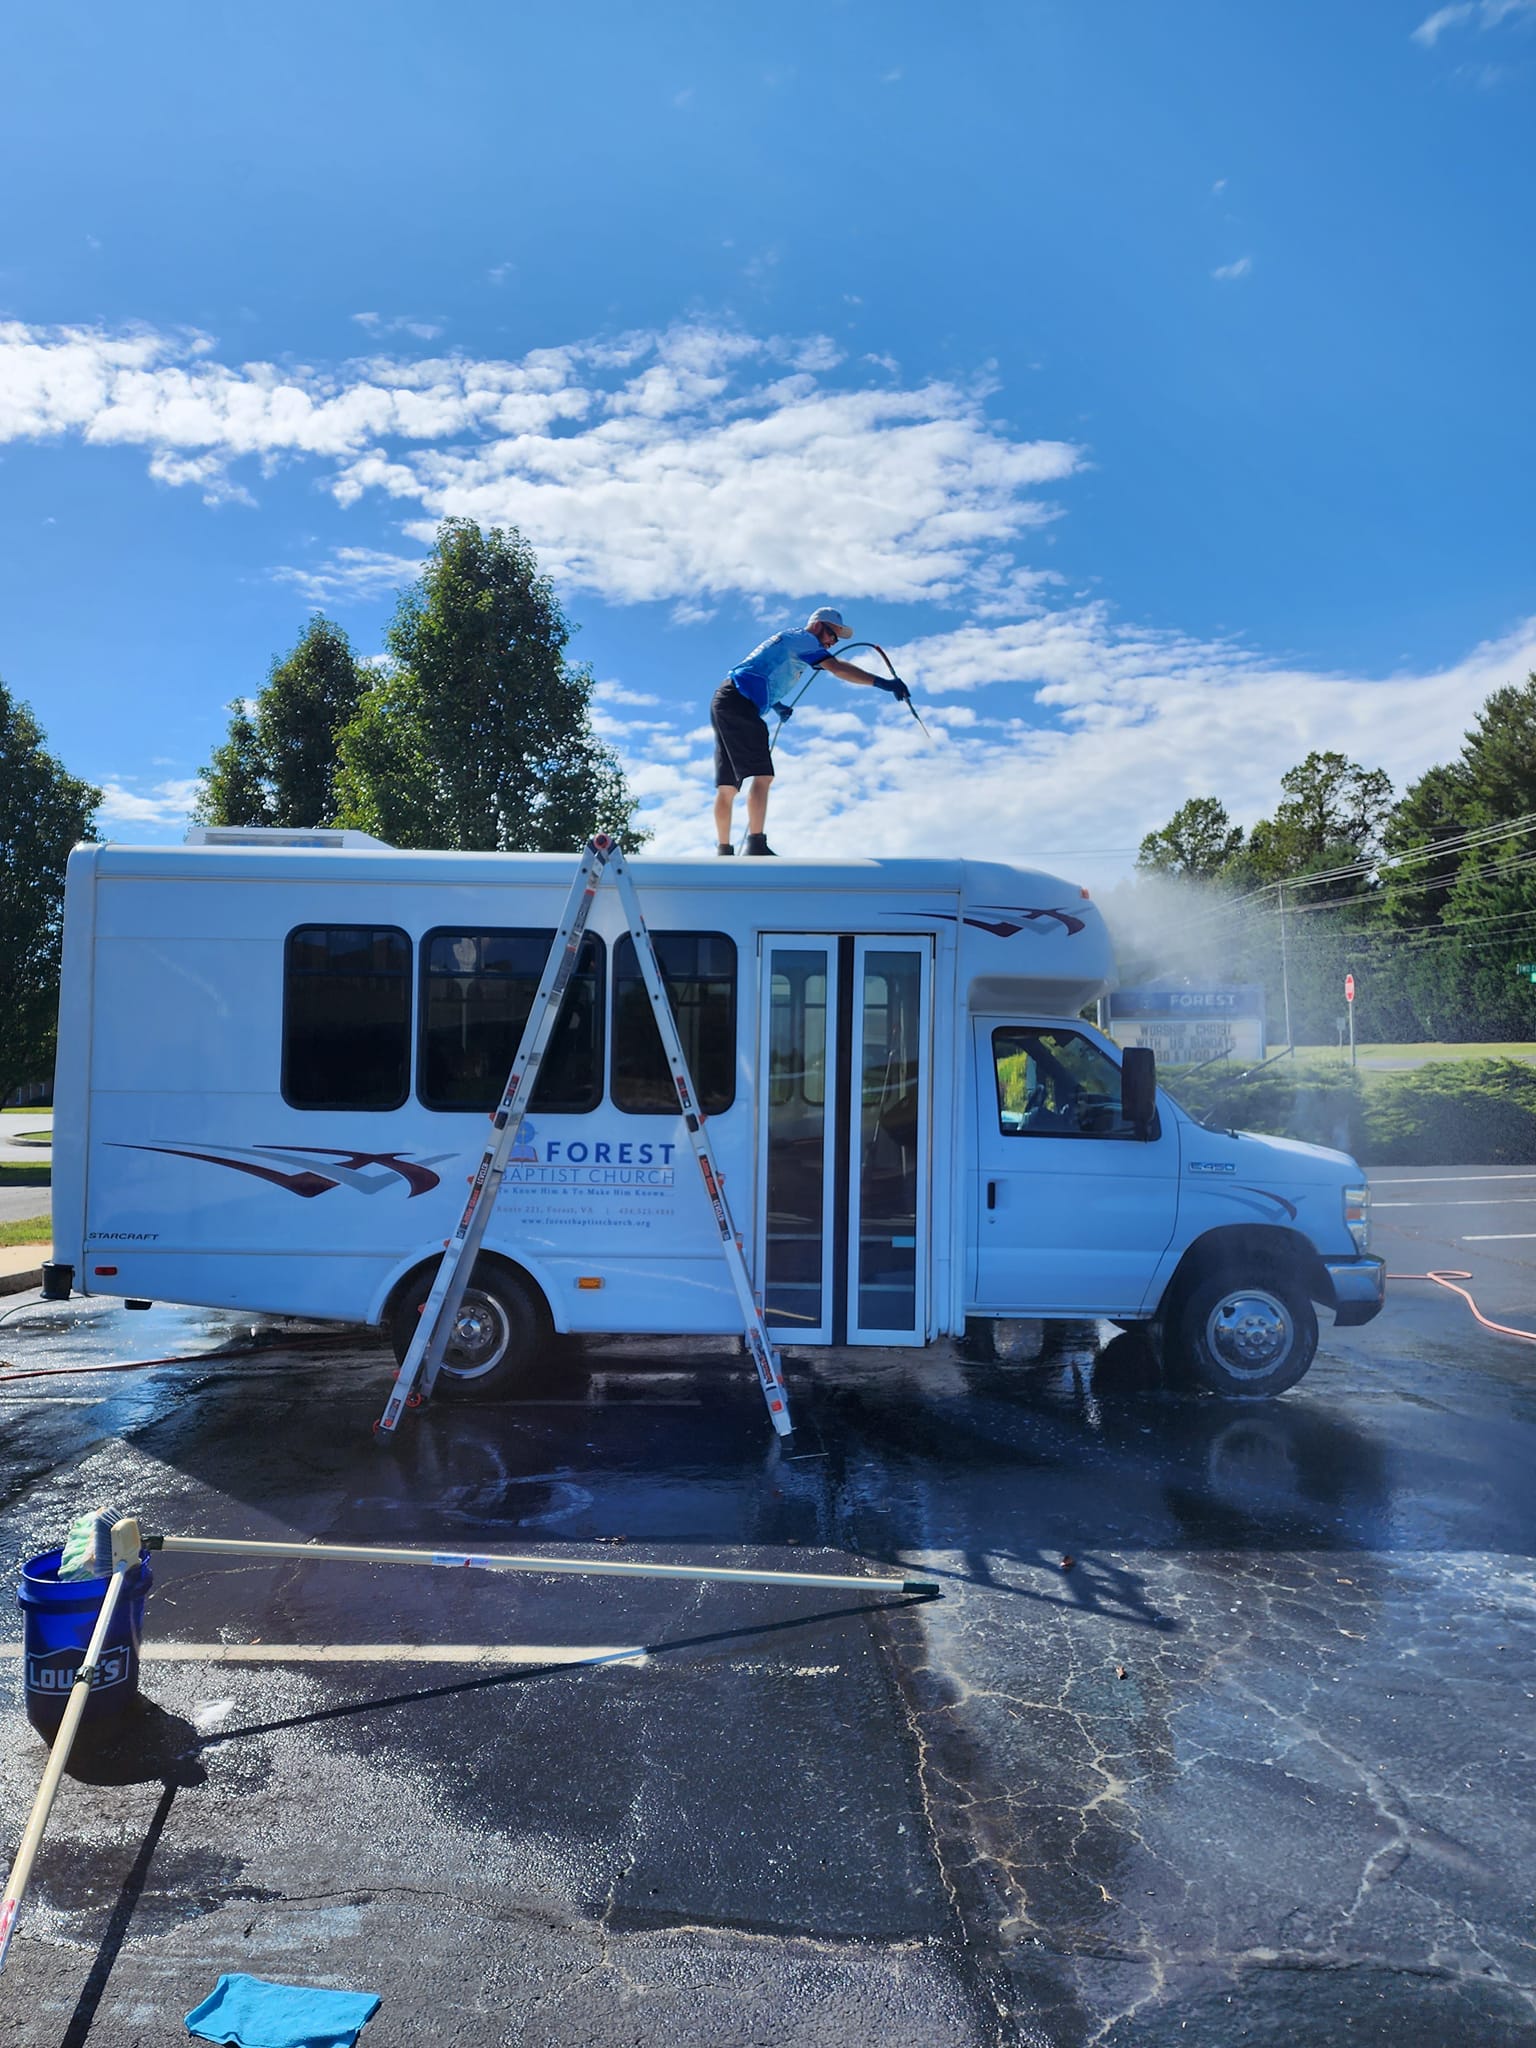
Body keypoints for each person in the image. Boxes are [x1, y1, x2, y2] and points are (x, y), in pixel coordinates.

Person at [710, 608, 910, 854]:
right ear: (818, 626)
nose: (831, 643)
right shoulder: (804, 640)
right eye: (832, 636)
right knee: (763, 775)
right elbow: (837, 668)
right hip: (739, 703)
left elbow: (758, 672)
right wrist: (883, 683)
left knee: (728, 786)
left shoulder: (791, 640)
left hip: (727, 699)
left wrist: (776, 705)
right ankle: (756, 845)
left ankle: (724, 851)